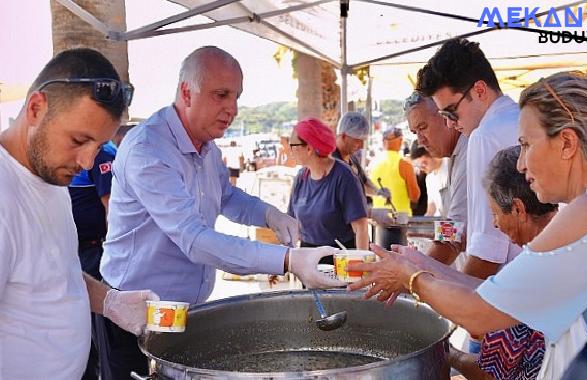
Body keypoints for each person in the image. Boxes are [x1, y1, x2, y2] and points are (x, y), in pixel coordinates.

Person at [349, 63, 587, 379]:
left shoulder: (586, 212)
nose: (520, 162)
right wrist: (423, 264)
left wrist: (411, 277)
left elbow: (481, 314)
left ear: (567, 143)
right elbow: (497, 295)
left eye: (527, 144)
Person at [97, 46, 342, 379]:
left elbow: (226, 196)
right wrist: (288, 260)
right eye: (221, 95)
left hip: (188, 312)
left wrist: (269, 214)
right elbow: (194, 240)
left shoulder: (207, 146)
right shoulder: (148, 148)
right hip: (134, 316)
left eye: (236, 97)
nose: (233, 109)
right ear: (187, 92)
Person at [0, 48, 158, 380]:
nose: (87, 162)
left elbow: (59, 273)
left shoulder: (51, 175)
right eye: (78, 140)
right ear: (36, 108)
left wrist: (112, 303)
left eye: (98, 146)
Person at [446, 146, 557, 380]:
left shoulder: (534, 269)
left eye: (495, 214)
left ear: (518, 208)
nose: (495, 224)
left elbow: (492, 373)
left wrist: (449, 355)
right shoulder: (566, 240)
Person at [417, 37, 521, 280]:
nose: (449, 123)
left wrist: (420, 272)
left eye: (449, 112)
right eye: (414, 132)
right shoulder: (514, 118)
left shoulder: (481, 137)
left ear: (480, 90)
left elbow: (483, 244)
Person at [68, 140, 118, 380]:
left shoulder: (104, 153)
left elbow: (111, 209)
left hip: (92, 250)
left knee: (90, 327)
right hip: (74, 249)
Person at [288, 118, 369, 263]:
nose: (290, 150)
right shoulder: (301, 178)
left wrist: (360, 270)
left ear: (309, 148)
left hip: (340, 259)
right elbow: (291, 224)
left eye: (293, 145)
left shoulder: (344, 176)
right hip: (308, 259)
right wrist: (280, 262)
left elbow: (361, 228)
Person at [403, 91, 468, 267]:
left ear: (445, 116)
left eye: (423, 127)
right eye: (415, 132)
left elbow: (454, 229)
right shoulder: (457, 154)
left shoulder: (469, 149)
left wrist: (416, 272)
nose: (421, 140)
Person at [334, 111, 393, 224]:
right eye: (357, 140)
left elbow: (363, 183)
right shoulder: (332, 162)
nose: (361, 146)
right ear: (343, 136)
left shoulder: (352, 158)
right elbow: (337, 202)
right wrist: (370, 212)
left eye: (363, 141)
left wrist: (378, 192)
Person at [370, 126, 420, 215]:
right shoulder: (404, 164)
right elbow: (414, 196)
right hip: (400, 219)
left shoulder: (372, 163)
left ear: (383, 142)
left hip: (379, 218)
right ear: (400, 140)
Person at [409, 140, 448, 217]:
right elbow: (431, 207)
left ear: (430, 153)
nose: (422, 169)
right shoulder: (429, 178)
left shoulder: (449, 165)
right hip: (442, 221)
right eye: (420, 166)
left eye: (424, 163)